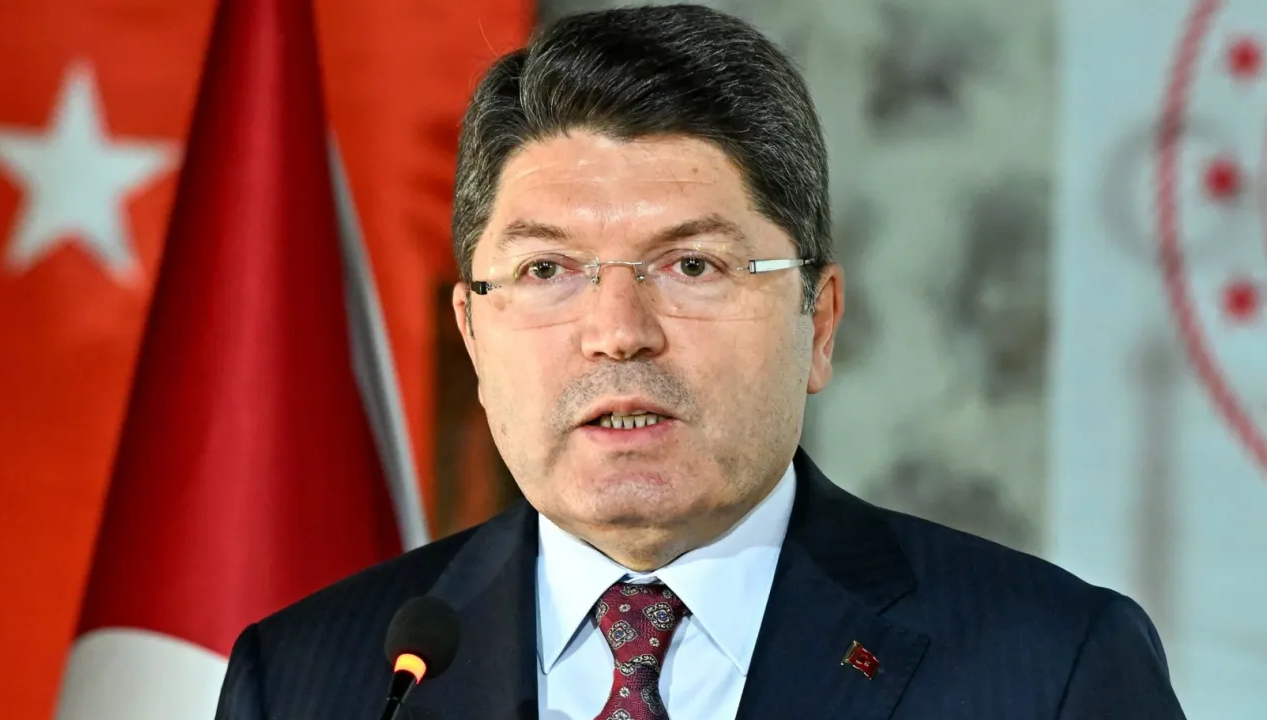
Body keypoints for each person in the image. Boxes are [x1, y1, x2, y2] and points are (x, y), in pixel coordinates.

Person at [215, 4, 1186, 719]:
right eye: (547, 269)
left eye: (691, 265)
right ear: (473, 334)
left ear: (819, 322)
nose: (617, 331)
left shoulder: (1049, 668)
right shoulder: (310, 680)